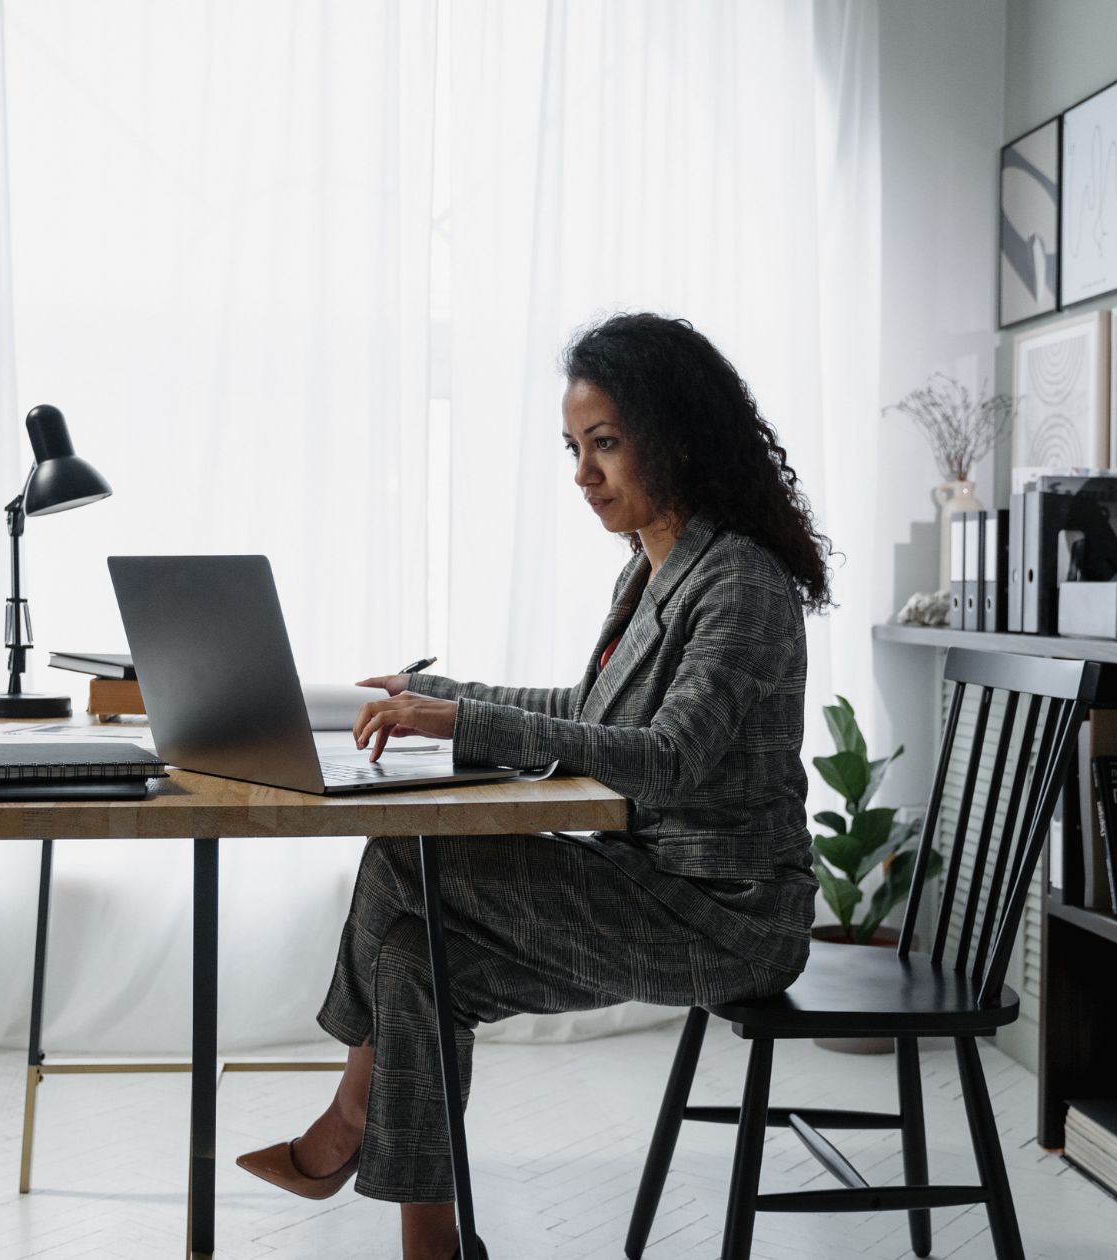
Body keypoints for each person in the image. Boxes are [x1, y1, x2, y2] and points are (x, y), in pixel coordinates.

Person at [235, 312, 832, 1260]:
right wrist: (443, 693)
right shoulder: (653, 570)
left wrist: (464, 724)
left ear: (675, 437)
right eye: (574, 448)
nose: (584, 474)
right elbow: (594, 707)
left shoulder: (741, 585)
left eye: (605, 445)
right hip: (651, 886)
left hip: (727, 919)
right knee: (413, 962)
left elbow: (667, 756)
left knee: (405, 852)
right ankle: (431, 1239)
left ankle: (347, 1122)